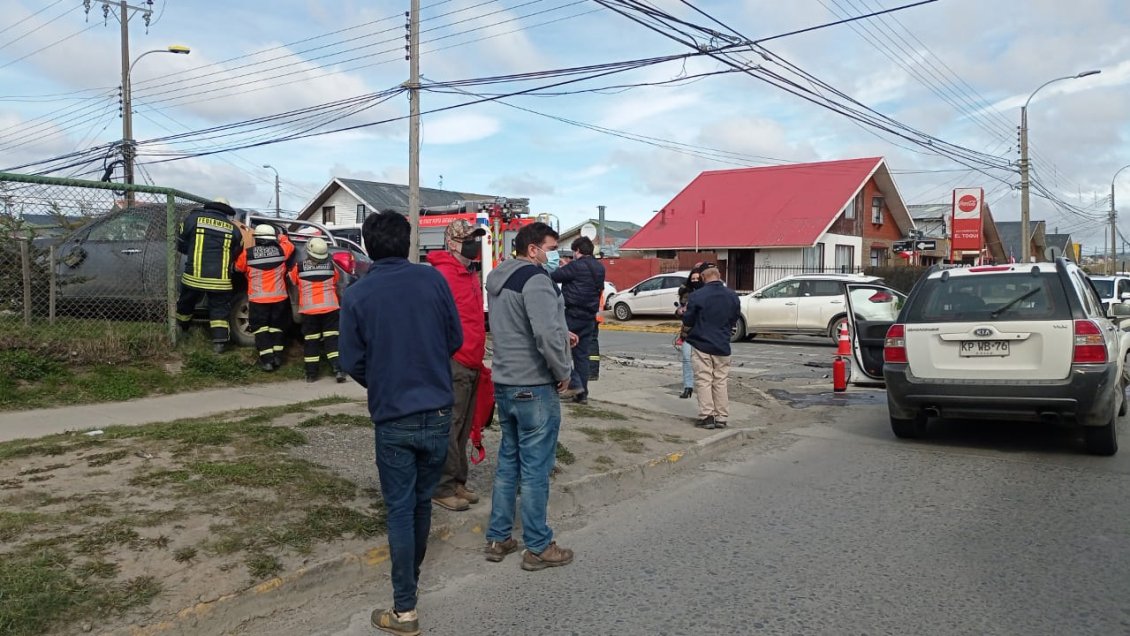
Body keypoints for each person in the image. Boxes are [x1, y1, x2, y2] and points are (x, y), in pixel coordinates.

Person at [339, 211, 463, 636]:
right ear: (408, 242)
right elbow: (455, 339)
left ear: (367, 245)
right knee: (421, 503)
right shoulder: (432, 280)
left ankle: (405, 608)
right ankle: (410, 584)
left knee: (400, 509)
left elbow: (351, 359)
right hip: (438, 410)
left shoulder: (358, 293)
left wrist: (382, 379)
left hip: (393, 415)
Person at [484, 221, 577, 571]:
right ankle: (538, 546)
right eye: (552, 249)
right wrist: (563, 370)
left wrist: (561, 334)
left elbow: (520, 325)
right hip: (534, 385)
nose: (556, 256)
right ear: (533, 249)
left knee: (509, 463)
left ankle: (499, 537)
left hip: (505, 381)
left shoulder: (500, 278)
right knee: (536, 469)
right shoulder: (536, 279)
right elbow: (545, 334)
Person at [426, 219, 487, 512]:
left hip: (473, 359)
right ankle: (442, 487)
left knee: (464, 425)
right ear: (451, 243)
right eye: (468, 239)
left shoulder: (469, 273)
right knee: (450, 425)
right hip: (456, 360)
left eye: (476, 238)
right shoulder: (443, 275)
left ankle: (457, 481)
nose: (474, 244)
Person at [174, 198, 243, 353]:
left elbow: (181, 243)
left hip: (194, 277)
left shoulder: (193, 219)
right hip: (220, 281)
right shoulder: (234, 229)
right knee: (219, 310)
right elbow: (237, 252)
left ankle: (182, 330)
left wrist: (191, 250)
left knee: (186, 304)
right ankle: (219, 343)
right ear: (226, 211)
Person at [680, 265, 740, 430]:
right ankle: (721, 417)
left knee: (704, 380)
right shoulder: (732, 295)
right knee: (720, 381)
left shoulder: (697, 295)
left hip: (702, 343)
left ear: (704, 278)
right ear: (719, 276)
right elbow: (734, 318)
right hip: (723, 344)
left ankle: (707, 416)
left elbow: (688, 320)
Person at [550, 236, 605, 405]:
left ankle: (575, 384)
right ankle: (582, 395)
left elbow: (555, 276)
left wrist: (564, 266)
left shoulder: (575, 266)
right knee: (582, 356)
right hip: (589, 316)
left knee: (559, 348)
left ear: (578, 251)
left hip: (572, 314)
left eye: (574, 251)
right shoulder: (599, 267)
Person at [234, 224, 295, 371]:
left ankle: (267, 361)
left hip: (258, 300)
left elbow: (238, 268)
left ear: (257, 239)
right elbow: (290, 246)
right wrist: (281, 236)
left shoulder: (248, 254)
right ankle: (278, 357)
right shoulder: (282, 250)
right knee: (277, 327)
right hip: (279, 298)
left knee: (261, 329)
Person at [289, 237, 344, 383]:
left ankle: (311, 374)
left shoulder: (299, 267)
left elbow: (292, 280)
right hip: (330, 308)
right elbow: (336, 280)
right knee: (332, 340)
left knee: (311, 341)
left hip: (310, 311)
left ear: (309, 252)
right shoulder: (331, 266)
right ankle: (338, 370)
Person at [674, 267, 705, 399]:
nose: (695, 281)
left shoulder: (706, 293)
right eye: (693, 278)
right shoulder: (686, 292)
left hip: (703, 333)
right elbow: (680, 309)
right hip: (688, 332)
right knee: (687, 359)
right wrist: (679, 312)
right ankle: (688, 387)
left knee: (702, 362)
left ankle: (704, 388)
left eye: (697, 278)